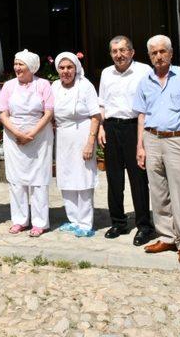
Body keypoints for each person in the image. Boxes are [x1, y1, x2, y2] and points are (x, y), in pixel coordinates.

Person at [133, 35, 180, 268]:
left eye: (163, 51)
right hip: (151, 139)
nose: (159, 56)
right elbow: (141, 115)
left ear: (171, 53)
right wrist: (140, 146)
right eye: (154, 53)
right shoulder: (145, 82)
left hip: (177, 140)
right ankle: (166, 237)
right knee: (158, 191)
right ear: (149, 56)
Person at [98, 36, 156, 246]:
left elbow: (151, 103)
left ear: (132, 52)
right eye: (114, 51)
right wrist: (101, 127)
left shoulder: (144, 71)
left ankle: (144, 226)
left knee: (138, 179)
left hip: (135, 127)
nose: (119, 55)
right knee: (114, 179)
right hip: (112, 128)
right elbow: (102, 103)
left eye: (123, 50)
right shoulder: (106, 73)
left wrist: (143, 138)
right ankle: (118, 222)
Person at [0, 49, 54, 237]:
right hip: (14, 138)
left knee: (39, 180)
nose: (17, 67)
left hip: (39, 137)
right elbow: (3, 113)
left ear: (31, 67)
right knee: (16, 180)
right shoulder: (8, 86)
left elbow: (48, 112)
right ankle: (20, 220)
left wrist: (31, 134)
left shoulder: (44, 85)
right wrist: (17, 133)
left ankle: (40, 222)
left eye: (20, 64)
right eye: (15, 63)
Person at [52, 52, 101, 238]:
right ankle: (73, 219)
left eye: (69, 67)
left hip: (82, 134)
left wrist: (90, 142)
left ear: (76, 68)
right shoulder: (55, 86)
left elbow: (96, 116)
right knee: (66, 178)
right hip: (63, 137)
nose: (66, 71)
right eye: (62, 68)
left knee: (83, 178)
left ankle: (85, 223)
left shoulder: (85, 85)